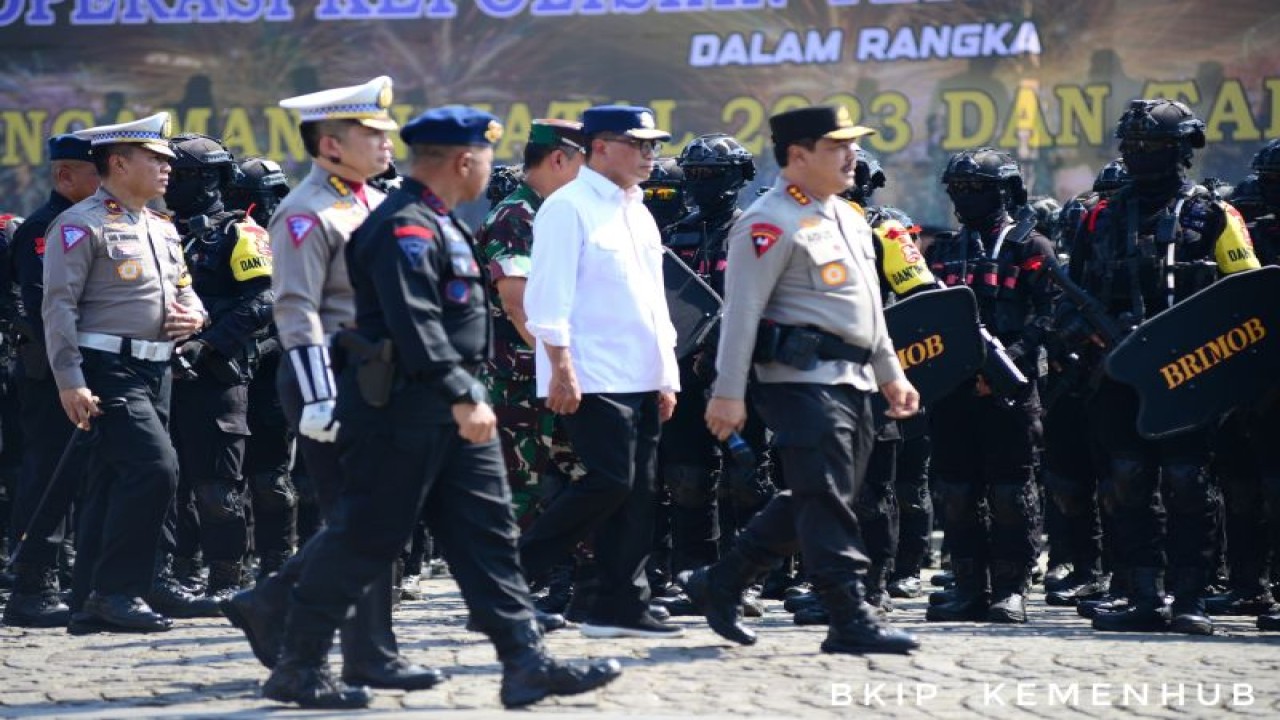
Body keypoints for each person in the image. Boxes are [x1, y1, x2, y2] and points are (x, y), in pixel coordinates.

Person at [260, 105, 622, 709]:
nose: (490, 168)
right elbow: (415, 322)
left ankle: (524, 661)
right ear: (464, 161)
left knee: (488, 534)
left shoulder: (432, 219)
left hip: (445, 409)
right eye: (484, 156)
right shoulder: (405, 226)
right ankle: (296, 663)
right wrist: (461, 393)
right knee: (365, 538)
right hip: (404, 409)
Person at [221, 77, 438, 690]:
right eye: (371, 133)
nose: (385, 143)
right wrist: (319, 394)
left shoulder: (369, 202)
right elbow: (296, 309)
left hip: (377, 381)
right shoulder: (304, 211)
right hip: (332, 381)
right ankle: (301, 656)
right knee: (355, 522)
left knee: (373, 524)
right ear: (331, 144)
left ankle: (358, 647)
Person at [684, 105, 920, 655]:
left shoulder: (851, 217)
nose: (851, 155)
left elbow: (868, 309)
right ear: (798, 155)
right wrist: (727, 392)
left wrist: (892, 373)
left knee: (820, 495)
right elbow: (741, 312)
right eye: (837, 146)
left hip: (856, 379)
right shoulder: (768, 222)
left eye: (853, 145)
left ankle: (720, 583)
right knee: (828, 498)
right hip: (799, 381)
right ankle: (848, 616)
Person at [1067, 99, 1259, 635]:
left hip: (1191, 371)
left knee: (1187, 482)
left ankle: (1191, 596)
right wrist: (1089, 345)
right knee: (1127, 480)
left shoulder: (1216, 213)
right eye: (1130, 147)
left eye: (1149, 146)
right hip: (1118, 370)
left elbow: (1247, 296)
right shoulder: (1100, 214)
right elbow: (1072, 293)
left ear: (1180, 150)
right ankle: (1144, 594)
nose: (1137, 156)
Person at [520, 105, 683, 639]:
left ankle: (618, 603)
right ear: (602, 147)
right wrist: (560, 367)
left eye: (653, 145)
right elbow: (548, 295)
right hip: (590, 374)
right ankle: (509, 577)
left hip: (640, 373)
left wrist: (666, 373)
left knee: (638, 490)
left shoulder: (638, 211)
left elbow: (654, 302)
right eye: (639, 145)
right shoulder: (568, 207)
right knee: (609, 481)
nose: (649, 156)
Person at [42, 113, 209, 633]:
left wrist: (195, 314)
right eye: (156, 159)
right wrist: (70, 378)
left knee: (112, 479)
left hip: (156, 365)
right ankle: (120, 591)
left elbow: (184, 289)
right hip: (106, 366)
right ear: (118, 162)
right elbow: (58, 306)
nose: (167, 168)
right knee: (156, 469)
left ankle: (88, 599)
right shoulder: (80, 224)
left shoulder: (160, 225)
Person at [921, 148, 1055, 625]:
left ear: (1004, 191)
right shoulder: (942, 251)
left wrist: (1010, 363)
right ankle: (968, 587)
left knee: (1009, 493)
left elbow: (1050, 315)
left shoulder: (1030, 247)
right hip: (952, 389)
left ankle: (1011, 589)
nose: (965, 197)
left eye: (976, 188)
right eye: (958, 189)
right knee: (955, 492)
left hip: (1009, 390)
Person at [163, 133, 275, 604]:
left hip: (217, 375)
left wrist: (206, 342)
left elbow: (264, 300)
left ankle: (228, 580)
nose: (166, 181)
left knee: (217, 490)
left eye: (179, 174)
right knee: (171, 483)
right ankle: (179, 574)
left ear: (207, 179)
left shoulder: (239, 232)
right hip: (161, 375)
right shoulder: (160, 228)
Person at [2, 135, 98, 628]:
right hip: (52, 374)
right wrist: (74, 369)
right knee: (47, 475)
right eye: (95, 172)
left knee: (80, 477)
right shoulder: (47, 227)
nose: (106, 181)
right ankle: (34, 584)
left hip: (77, 370)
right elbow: (48, 311)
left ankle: (65, 573)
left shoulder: (91, 222)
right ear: (65, 177)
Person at [475, 119, 586, 530]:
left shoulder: (555, 213)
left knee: (579, 485)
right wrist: (560, 368)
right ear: (559, 159)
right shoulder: (517, 217)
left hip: (547, 374)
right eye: (584, 163)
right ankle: (508, 589)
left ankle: (566, 588)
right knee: (522, 494)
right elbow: (519, 306)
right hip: (520, 380)